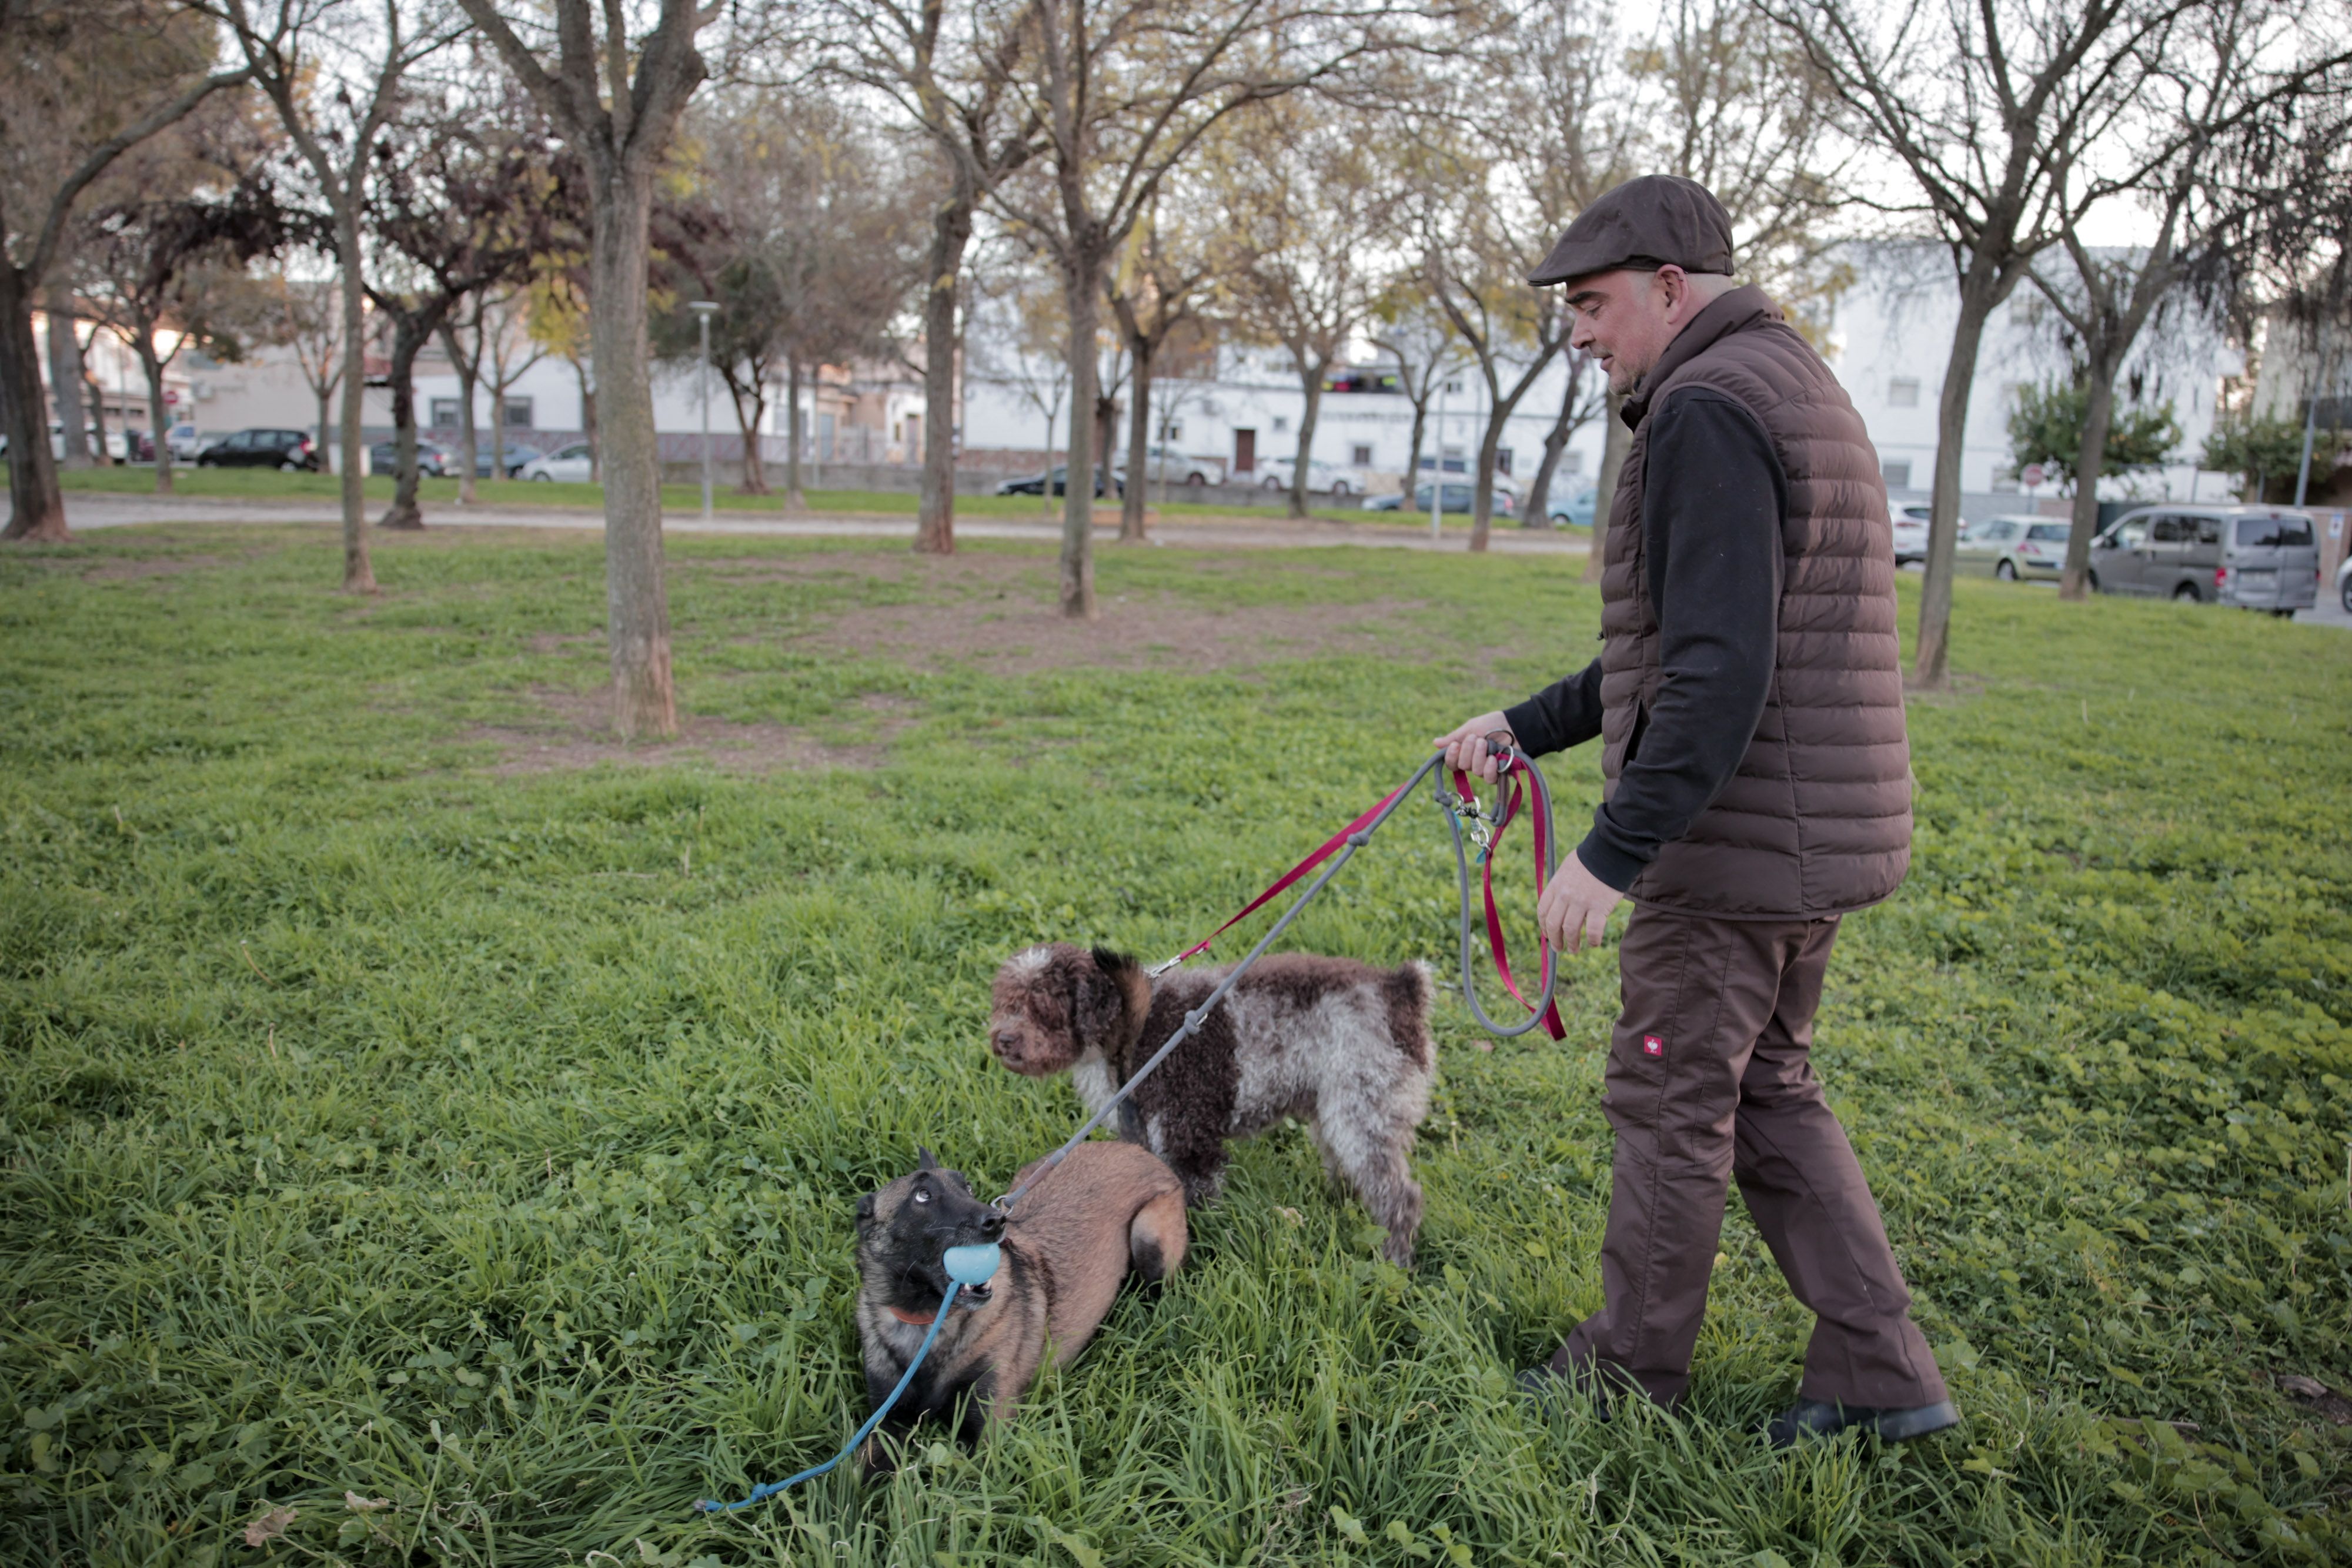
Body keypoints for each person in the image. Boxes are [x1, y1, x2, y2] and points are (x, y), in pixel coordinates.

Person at [1434, 175, 1956, 1447]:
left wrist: (1611, 855)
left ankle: (1624, 1375)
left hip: (1728, 853)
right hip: (1796, 836)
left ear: (1672, 288)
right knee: (1767, 1085)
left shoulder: (1706, 409)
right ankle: (1882, 1376)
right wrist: (1528, 724)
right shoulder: (1784, 380)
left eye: (1593, 304)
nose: (1577, 333)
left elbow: (1717, 671)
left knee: (1670, 1101)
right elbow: (1686, 646)